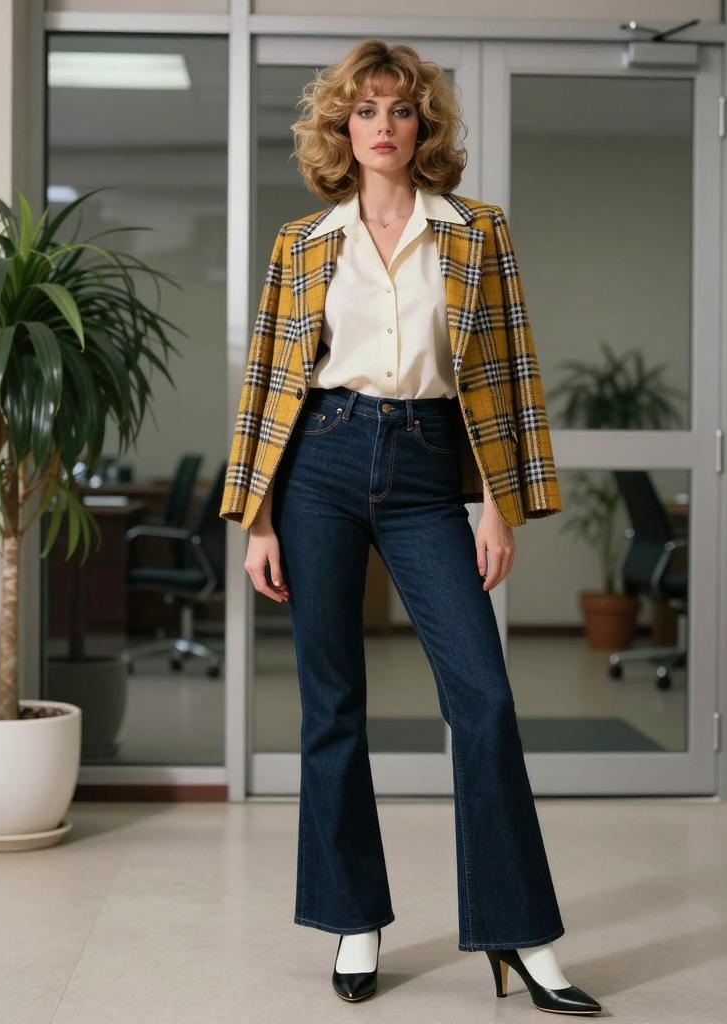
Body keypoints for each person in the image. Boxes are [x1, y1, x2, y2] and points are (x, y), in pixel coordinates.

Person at [219, 38, 601, 1017]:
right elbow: (266, 384)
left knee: (482, 700)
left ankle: (520, 935)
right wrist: (256, 520)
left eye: (398, 109)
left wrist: (497, 504)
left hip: (431, 466)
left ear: (421, 126)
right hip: (320, 464)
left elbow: (509, 371)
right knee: (331, 704)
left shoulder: (476, 233)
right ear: (339, 130)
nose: (381, 126)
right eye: (364, 110)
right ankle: (355, 915)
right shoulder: (302, 244)